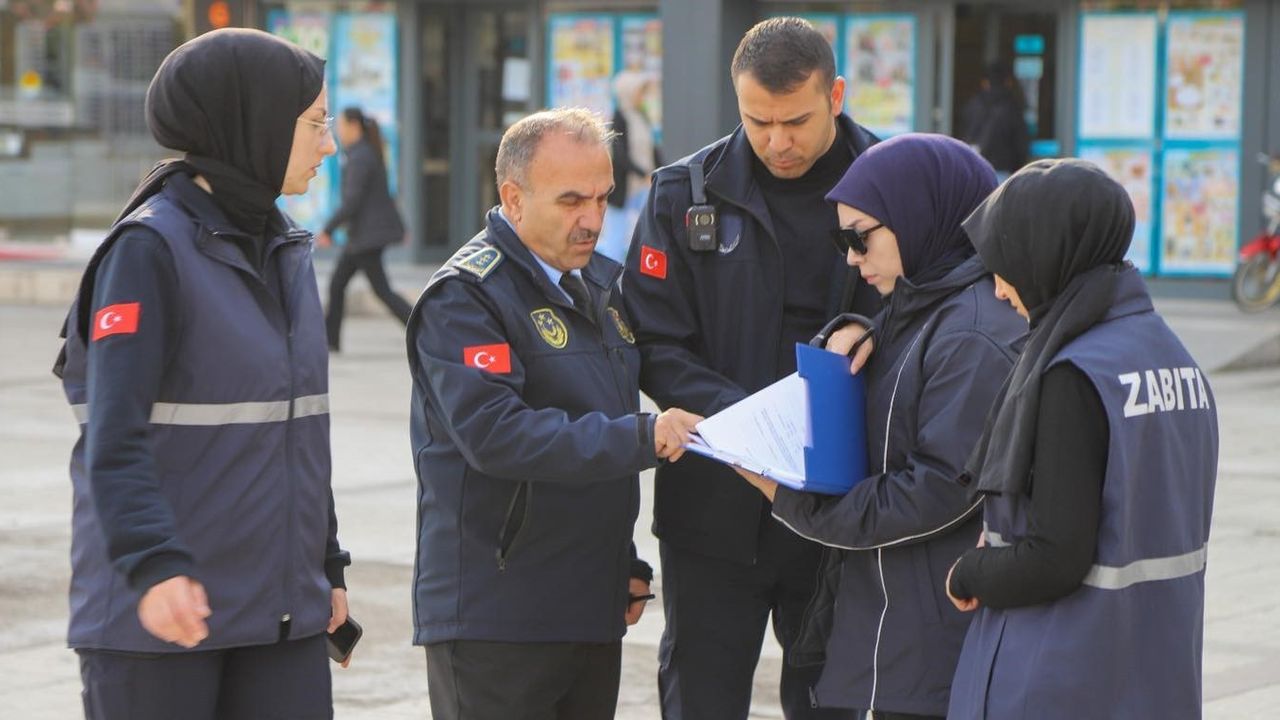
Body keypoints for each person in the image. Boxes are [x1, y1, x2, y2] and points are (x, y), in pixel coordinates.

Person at [52, 28, 351, 719]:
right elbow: (113, 437)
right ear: (254, 124)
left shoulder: (285, 248)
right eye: (315, 124)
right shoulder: (148, 251)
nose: (329, 145)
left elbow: (296, 429)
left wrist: (327, 565)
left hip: (281, 616)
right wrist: (153, 565)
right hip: (161, 618)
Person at [621, 17, 881, 719]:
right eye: (757, 121)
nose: (776, 142)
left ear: (835, 96)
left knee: (832, 701)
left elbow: (935, 317)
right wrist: (753, 422)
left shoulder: (892, 186)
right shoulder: (684, 194)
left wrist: (872, 330)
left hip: (842, 508)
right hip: (714, 506)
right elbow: (652, 340)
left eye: (795, 121)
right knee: (700, 699)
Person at [406, 107, 702, 720]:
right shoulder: (465, 297)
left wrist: (620, 562)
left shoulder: (600, 286)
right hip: (498, 616)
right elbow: (496, 434)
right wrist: (645, 437)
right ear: (513, 199)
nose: (592, 219)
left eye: (602, 198)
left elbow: (594, 413)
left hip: (588, 605)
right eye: (571, 201)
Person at [735, 134, 1026, 719]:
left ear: (920, 218)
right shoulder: (921, 304)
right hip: (907, 630)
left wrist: (791, 500)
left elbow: (934, 492)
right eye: (841, 240)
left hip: (939, 640)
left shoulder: (971, 334)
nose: (850, 257)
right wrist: (853, 329)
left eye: (859, 236)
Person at [945, 159, 1220, 719]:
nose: (1000, 288)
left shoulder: (1073, 374)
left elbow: (1055, 557)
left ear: (1049, 255)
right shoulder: (1172, 356)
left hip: (1062, 676)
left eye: (1007, 265)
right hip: (1154, 671)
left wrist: (970, 572)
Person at [319, 106, 413, 352]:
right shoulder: (364, 153)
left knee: (374, 290)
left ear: (354, 126)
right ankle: (330, 341)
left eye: (341, 126)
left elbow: (353, 201)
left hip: (366, 237)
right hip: (365, 236)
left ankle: (422, 328)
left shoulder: (360, 157)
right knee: (345, 285)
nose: (339, 131)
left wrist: (328, 229)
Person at [598, 70, 661, 263]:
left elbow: (652, 149)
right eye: (639, 91)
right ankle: (610, 272)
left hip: (645, 184)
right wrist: (642, 172)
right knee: (616, 234)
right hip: (624, 186)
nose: (641, 96)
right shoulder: (619, 118)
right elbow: (619, 155)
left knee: (650, 228)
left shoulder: (641, 116)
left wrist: (661, 171)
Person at [958, 61, 1029, 181]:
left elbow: (964, 136)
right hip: (1002, 170)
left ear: (985, 83)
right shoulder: (1012, 108)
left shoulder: (973, 105)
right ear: (1008, 82)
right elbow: (1020, 145)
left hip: (974, 168)